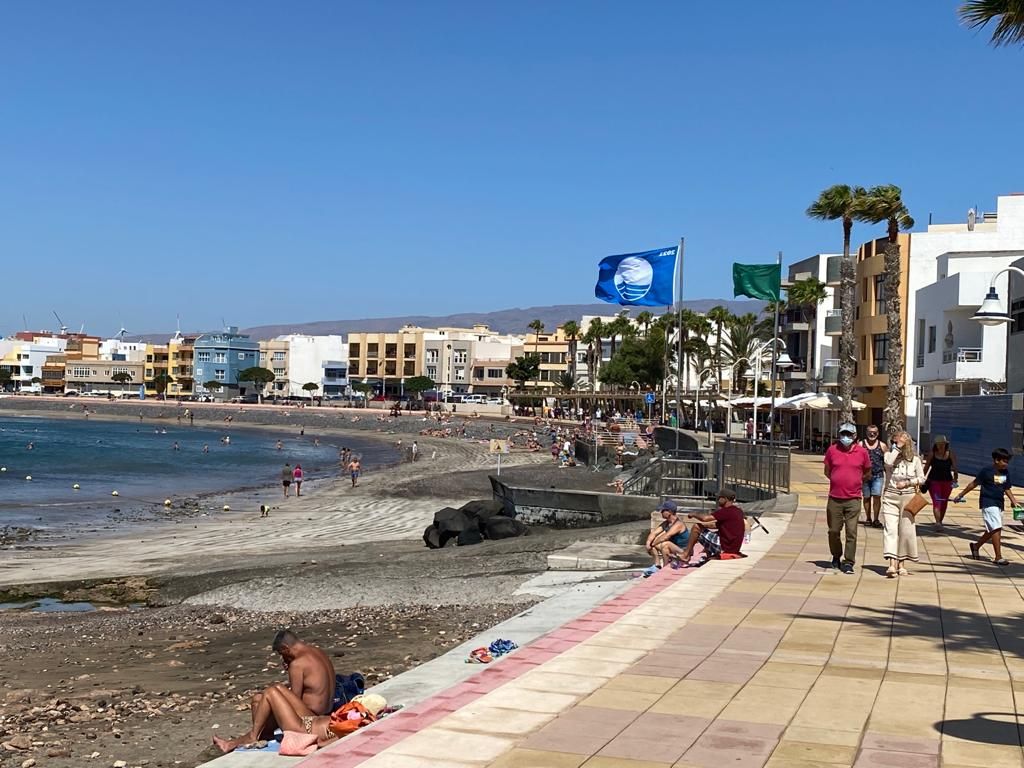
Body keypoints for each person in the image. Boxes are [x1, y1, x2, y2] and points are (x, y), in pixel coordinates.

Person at [213, 629, 336, 753]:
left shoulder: (297, 664)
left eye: (281, 653)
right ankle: (262, 735)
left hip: (310, 718)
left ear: (285, 648)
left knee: (272, 691)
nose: (283, 658)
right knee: (258, 700)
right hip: (325, 712)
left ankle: (252, 736)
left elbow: (294, 699)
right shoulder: (318, 652)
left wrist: (290, 673)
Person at [954, 448, 1018, 566]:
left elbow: (1006, 487)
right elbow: (973, 484)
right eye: (1004, 461)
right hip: (988, 502)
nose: (1006, 464)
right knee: (996, 528)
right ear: (996, 460)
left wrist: (1014, 501)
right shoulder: (986, 471)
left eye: (1007, 461)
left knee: (991, 529)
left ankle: (976, 546)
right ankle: (998, 557)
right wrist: (960, 495)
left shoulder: (1005, 472)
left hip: (999, 503)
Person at [824, 422, 872, 574]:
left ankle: (849, 561)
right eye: (843, 434)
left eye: (849, 434)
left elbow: (867, 472)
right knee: (833, 531)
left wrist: (856, 481)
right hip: (835, 498)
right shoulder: (832, 450)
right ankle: (836, 556)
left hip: (853, 499)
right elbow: (827, 471)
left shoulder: (862, 452)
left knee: (851, 532)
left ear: (855, 436)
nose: (845, 437)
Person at [881, 431, 926, 577]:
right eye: (894, 442)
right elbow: (888, 463)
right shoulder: (889, 456)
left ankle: (902, 564)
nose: (897, 445)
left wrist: (908, 482)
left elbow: (922, 478)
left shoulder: (915, 460)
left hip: (908, 497)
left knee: (906, 531)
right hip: (890, 497)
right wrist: (897, 447)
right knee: (891, 529)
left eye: (900, 443)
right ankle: (892, 564)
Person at [675, 488, 747, 565]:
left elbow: (705, 519)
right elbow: (715, 525)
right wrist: (703, 527)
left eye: (719, 498)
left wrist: (694, 514)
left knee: (696, 527)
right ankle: (706, 556)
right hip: (733, 547)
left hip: (725, 547)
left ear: (725, 499)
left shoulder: (726, 511)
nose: (717, 500)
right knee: (708, 532)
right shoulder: (737, 511)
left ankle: (686, 555)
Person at [641, 500, 690, 576]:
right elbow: (654, 533)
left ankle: (665, 567)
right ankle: (657, 565)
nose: (661, 512)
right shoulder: (667, 523)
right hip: (675, 549)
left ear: (669, 512)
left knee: (665, 544)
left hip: (684, 551)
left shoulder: (678, 524)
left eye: (663, 510)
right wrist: (648, 543)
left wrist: (653, 544)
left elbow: (666, 536)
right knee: (653, 542)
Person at [923, 435, 958, 531]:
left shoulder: (950, 454)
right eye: (939, 444)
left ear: (946, 444)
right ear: (936, 445)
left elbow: (955, 468)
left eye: (943, 444)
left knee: (944, 502)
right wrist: (921, 478)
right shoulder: (932, 454)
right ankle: (938, 522)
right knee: (937, 501)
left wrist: (955, 479)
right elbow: (926, 467)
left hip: (947, 481)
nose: (941, 446)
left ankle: (940, 521)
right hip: (933, 480)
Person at [860, 425, 886, 528]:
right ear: (866, 433)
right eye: (870, 432)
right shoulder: (861, 444)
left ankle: (876, 519)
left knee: (877, 496)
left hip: (878, 475)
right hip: (865, 476)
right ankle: (868, 518)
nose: (872, 434)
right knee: (866, 497)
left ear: (878, 433)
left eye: (874, 432)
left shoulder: (882, 446)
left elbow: (887, 461)